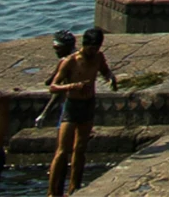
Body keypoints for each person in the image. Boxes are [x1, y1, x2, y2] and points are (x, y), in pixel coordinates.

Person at [44, 28, 116, 196]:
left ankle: (74, 187)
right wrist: (72, 86)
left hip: (88, 104)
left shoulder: (98, 57)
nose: (94, 52)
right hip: (72, 105)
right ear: (84, 45)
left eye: (97, 48)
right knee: (62, 151)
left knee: (80, 148)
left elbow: (105, 70)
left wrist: (111, 77)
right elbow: (53, 87)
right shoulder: (70, 61)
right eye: (91, 49)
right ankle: (51, 192)